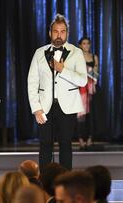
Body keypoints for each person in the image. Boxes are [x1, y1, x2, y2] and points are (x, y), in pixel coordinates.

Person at [27, 14, 87, 170]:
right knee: (45, 144)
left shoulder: (76, 52)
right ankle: (45, 180)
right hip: (45, 106)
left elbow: (83, 80)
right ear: (50, 33)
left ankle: (65, 180)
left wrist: (62, 69)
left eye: (62, 31)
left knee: (65, 144)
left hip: (67, 106)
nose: (59, 34)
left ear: (67, 33)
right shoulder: (39, 52)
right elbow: (32, 82)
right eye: (55, 31)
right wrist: (36, 108)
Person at [77, 37, 99, 149]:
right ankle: (81, 139)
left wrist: (91, 77)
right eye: (84, 44)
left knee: (91, 114)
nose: (86, 45)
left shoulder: (94, 57)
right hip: (80, 88)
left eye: (88, 44)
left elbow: (96, 72)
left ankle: (90, 138)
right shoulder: (77, 57)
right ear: (80, 45)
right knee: (81, 115)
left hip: (91, 88)